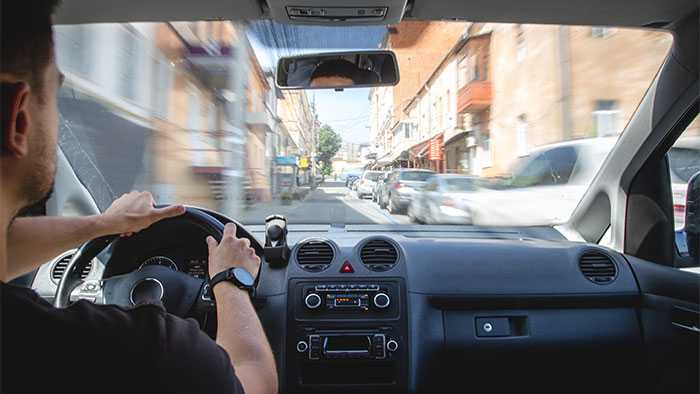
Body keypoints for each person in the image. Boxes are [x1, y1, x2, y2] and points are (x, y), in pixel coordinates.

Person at [0, 2, 277, 394]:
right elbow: (255, 380)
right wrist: (230, 280)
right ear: (20, 118)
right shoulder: (156, 352)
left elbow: (5, 249)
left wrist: (104, 225)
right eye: (56, 97)